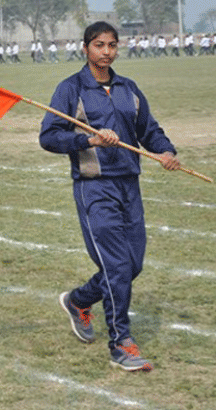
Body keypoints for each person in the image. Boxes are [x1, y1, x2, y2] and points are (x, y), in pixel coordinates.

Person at [39, 21, 180, 372]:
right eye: (99, 45)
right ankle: (121, 343)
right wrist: (88, 140)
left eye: (112, 45)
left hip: (129, 186)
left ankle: (79, 300)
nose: (106, 51)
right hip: (95, 188)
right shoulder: (70, 89)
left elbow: (149, 130)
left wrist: (165, 151)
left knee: (132, 266)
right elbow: (49, 137)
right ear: (86, 48)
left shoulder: (128, 89)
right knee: (117, 267)